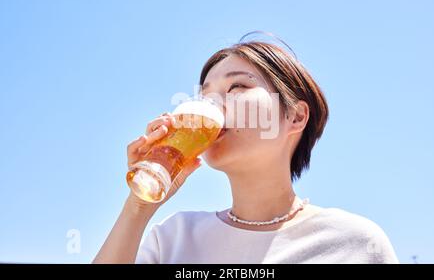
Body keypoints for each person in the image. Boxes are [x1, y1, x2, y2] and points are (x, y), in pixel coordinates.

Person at [93, 36, 399, 264]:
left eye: (237, 87)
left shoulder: (354, 243)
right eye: (204, 94)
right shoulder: (173, 238)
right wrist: (138, 208)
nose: (212, 103)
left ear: (295, 116)